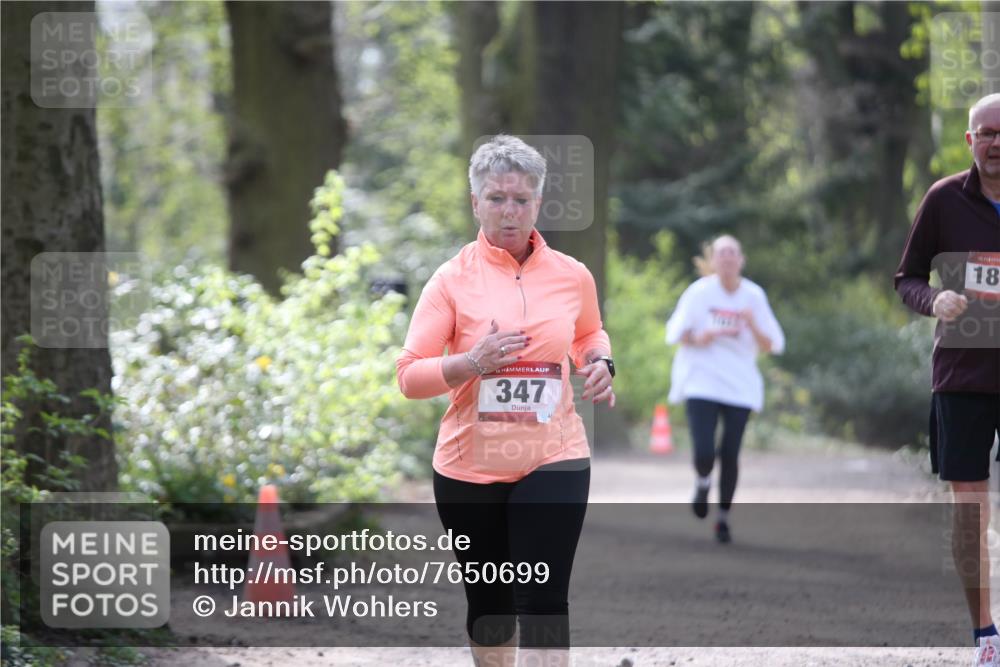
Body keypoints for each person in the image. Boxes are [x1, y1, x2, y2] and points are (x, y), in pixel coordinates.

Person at [396, 134, 615, 667]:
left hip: (554, 455)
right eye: (496, 199)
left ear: (538, 203)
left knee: (542, 600)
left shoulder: (571, 276)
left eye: (521, 200)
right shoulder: (450, 282)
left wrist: (601, 364)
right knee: (491, 603)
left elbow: (590, 334)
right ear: (476, 203)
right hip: (469, 468)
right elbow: (409, 376)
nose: (509, 212)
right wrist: (472, 362)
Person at [894, 92, 1000, 667]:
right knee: (970, 508)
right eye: (985, 132)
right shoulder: (943, 200)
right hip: (963, 374)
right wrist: (935, 300)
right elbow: (907, 277)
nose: (996, 143)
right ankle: (985, 633)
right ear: (969, 140)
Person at [664, 235, 785, 543]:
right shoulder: (699, 293)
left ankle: (723, 517)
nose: (728, 258)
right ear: (713, 261)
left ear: (741, 260)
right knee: (704, 452)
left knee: (730, 452)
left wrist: (752, 323)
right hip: (701, 380)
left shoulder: (753, 296)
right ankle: (703, 481)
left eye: (733, 253)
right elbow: (674, 333)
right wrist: (699, 337)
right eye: (722, 253)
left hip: (739, 385)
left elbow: (773, 344)